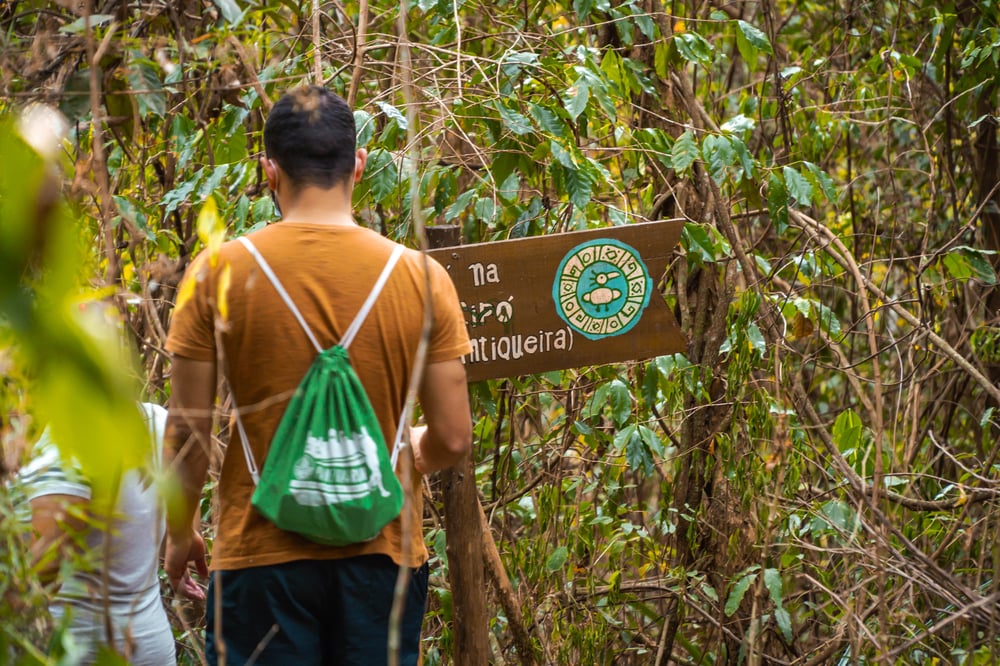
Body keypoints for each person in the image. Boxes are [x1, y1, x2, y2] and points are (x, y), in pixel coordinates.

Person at [163, 85, 473, 666]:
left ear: (269, 171)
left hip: (259, 558)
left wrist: (181, 532)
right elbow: (453, 437)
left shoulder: (218, 273)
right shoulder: (421, 278)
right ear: (358, 163)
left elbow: (189, 434)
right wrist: (404, 452)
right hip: (383, 559)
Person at [13, 402, 178, 665]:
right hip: (148, 640)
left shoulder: (73, 437)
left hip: (81, 647)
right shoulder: (157, 419)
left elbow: (47, 565)